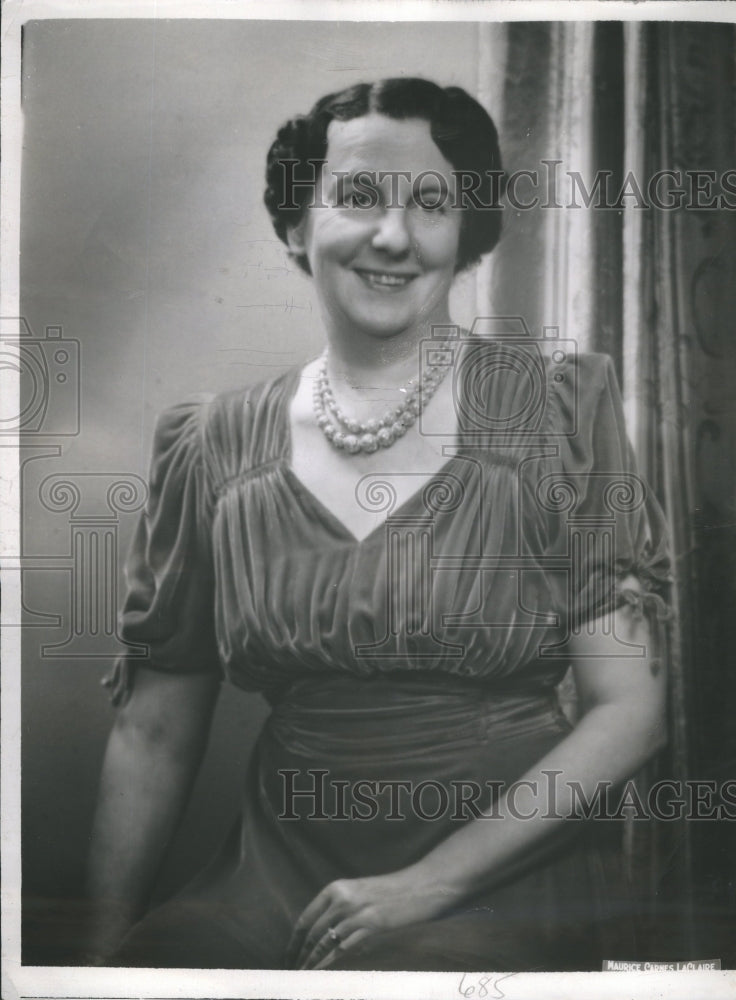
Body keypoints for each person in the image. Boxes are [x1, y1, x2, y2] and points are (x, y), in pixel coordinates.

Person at [84, 77, 672, 971]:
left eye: (431, 204)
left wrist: (428, 884)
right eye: (356, 197)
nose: (393, 236)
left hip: (499, 867)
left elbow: (628, 710)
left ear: (464, 233)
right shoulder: (210, 445)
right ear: (294, 225)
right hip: (280, 874)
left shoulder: (555, 414)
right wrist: (90, 961)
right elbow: (154, 731)